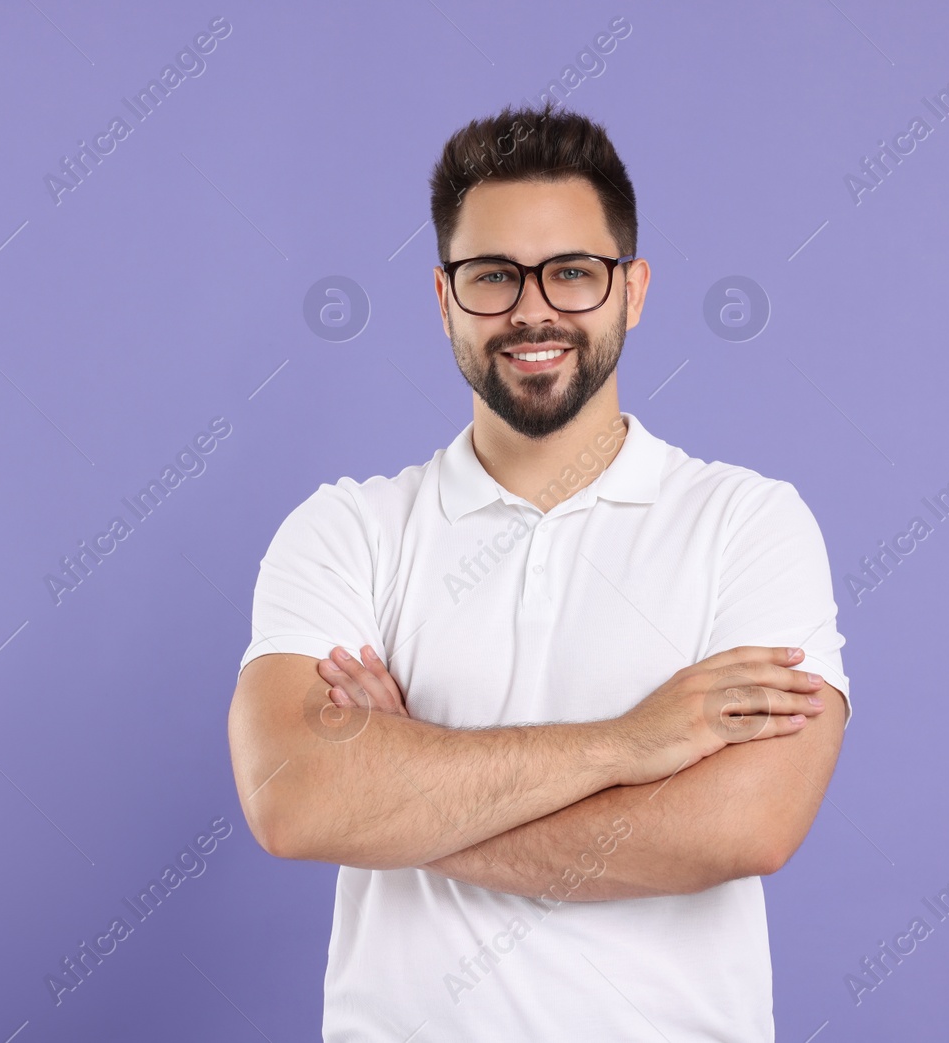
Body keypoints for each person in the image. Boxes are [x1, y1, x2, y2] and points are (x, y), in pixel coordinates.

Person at [227, 102, 851, 1041]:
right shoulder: (346, 529)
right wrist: (630, 743)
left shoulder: (748, 523)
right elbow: (293, 794)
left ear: (632, 290)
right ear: (444, 299)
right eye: (492, 276)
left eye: (572, 272)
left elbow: (747, 827)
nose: (533, 309)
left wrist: (409, 794)